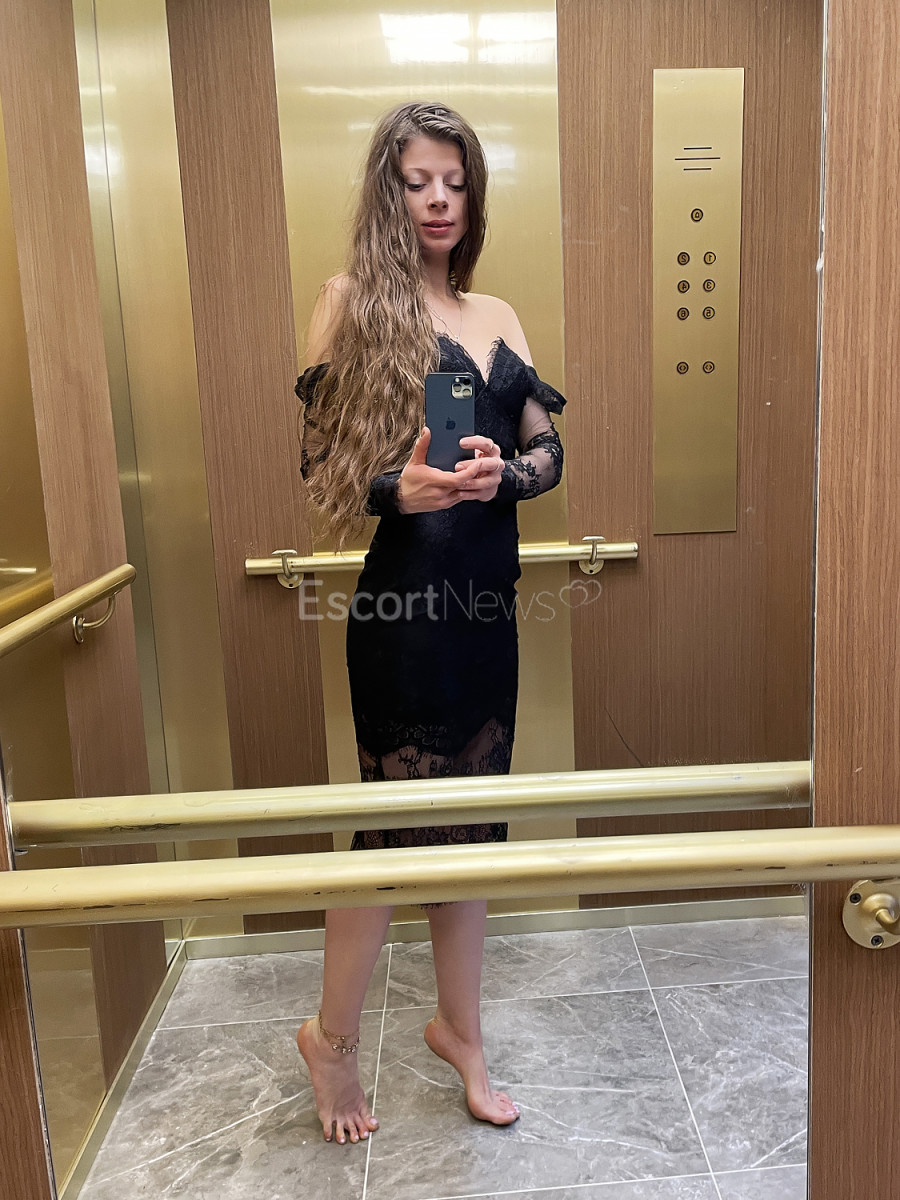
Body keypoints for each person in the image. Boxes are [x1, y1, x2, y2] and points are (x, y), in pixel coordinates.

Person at [295, 101, 566, 1146]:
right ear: (389, 192)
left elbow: (548, 453)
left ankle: (461, 1032)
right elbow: (322, 472)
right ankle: (331, 1040)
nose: (439, 199)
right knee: (393, 837)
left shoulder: (497, 312)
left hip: (484, 615)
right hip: (403, 618)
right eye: (417, 182)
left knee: (474, 835)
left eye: (455, 181)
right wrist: (396, 491)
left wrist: (508, 474)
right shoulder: (350, 303)